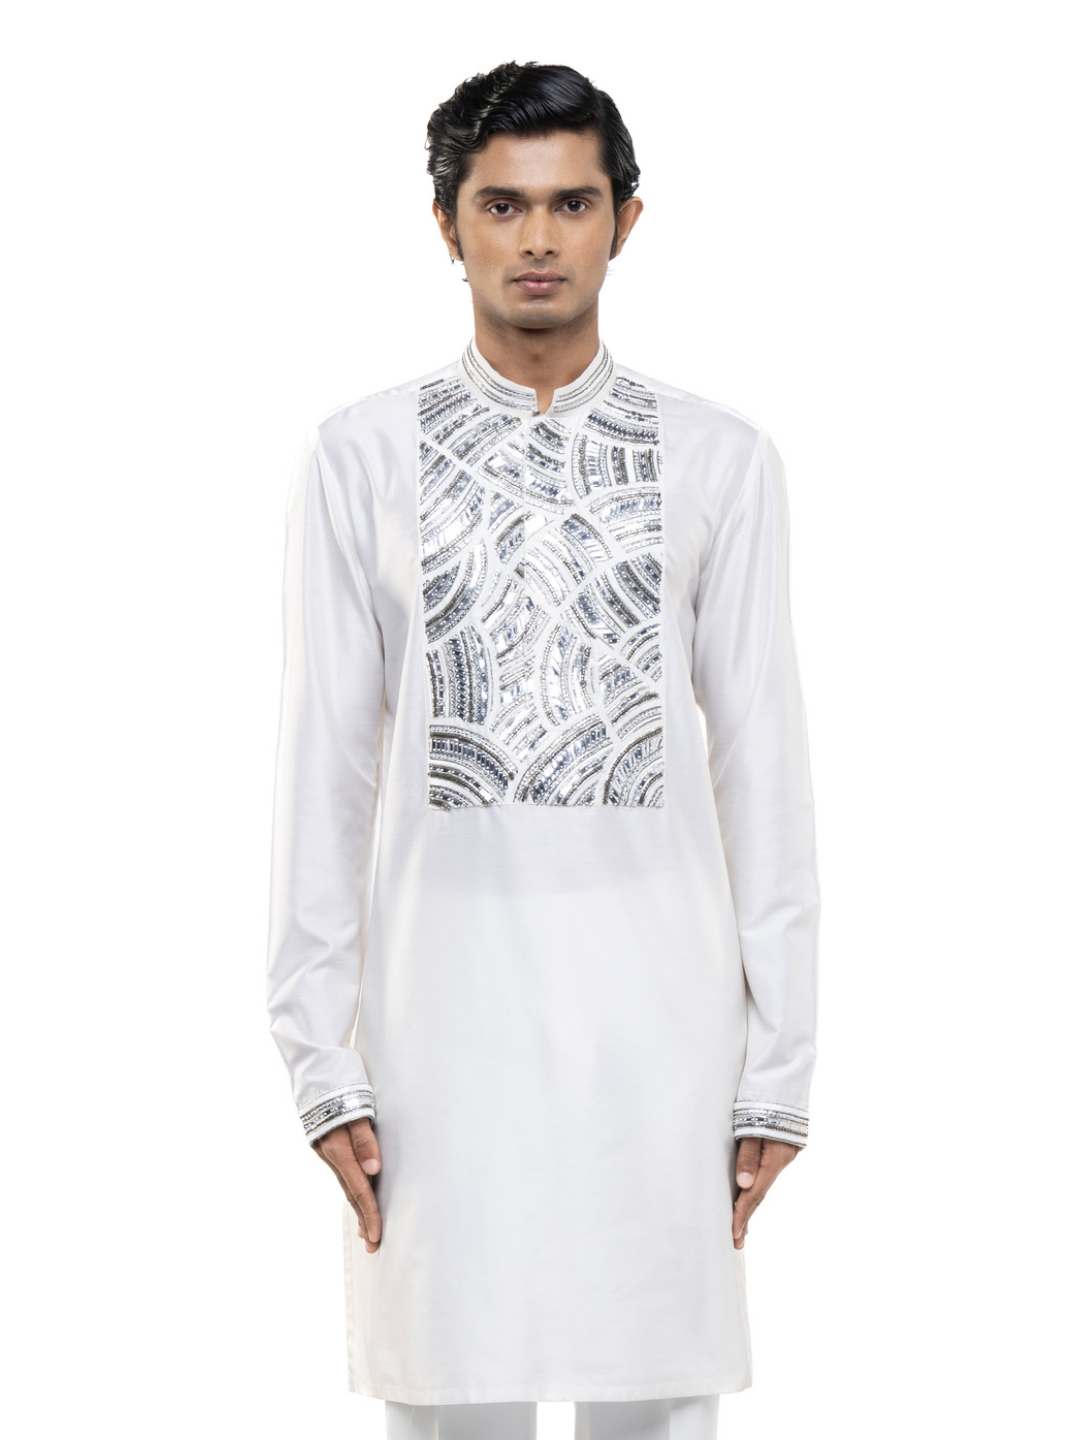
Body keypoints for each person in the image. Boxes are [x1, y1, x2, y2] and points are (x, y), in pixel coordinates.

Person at [266, 60, 820, 1440]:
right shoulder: (361, 460)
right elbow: (322, 776)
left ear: (625, 221)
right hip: (437, 1039)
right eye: (502, 205)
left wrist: (780, 1062)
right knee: (450, 1395)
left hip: (663, 1040)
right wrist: (319, 1057)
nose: (537, 238)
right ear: (446, 225)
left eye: (571, 203)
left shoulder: (718, 461)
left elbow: (766, 773)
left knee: (656, 1399)